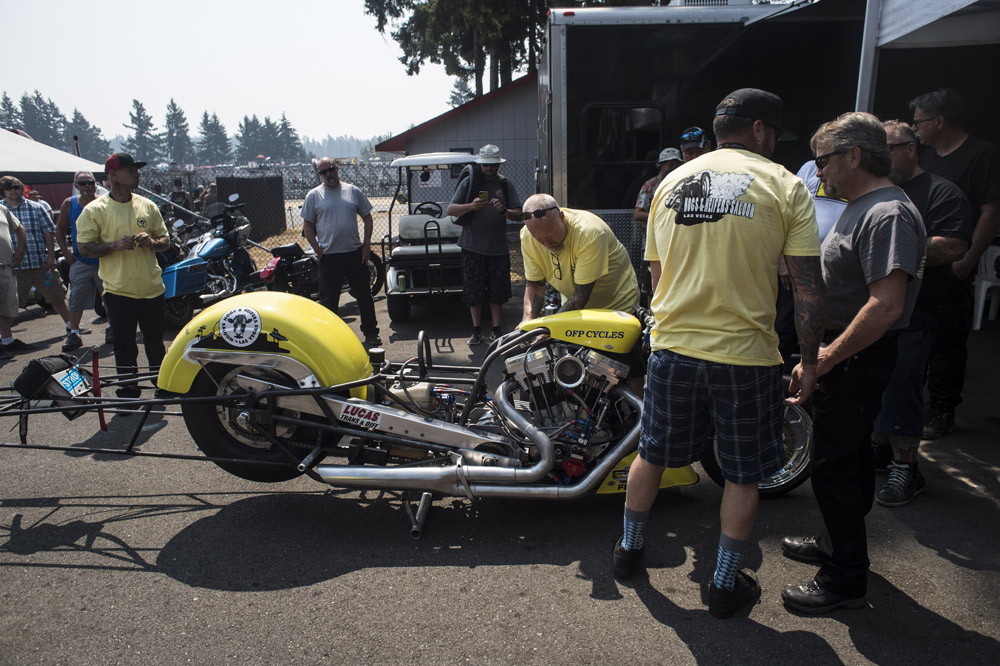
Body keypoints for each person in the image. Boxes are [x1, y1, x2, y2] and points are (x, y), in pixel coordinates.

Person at [612, 89, 826, 620]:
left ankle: (627, 550)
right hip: (746, 355)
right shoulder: (784, 183)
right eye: (773, 133)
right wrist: (813, 360)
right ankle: (725, 585)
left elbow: (656, 276)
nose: (774, 142)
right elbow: (808, 288)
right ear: (758, 129)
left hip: (673, 348)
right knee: (741, 473)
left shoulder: (669, 184)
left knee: (654, 453)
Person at [781, 112, 926, 615]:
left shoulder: (887, 213)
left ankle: (844, 577)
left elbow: (885, 305)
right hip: (848, 353)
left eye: (823, 161)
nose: (817, 172)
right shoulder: (862, 205)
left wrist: (823, 356)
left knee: (833, 467)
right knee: (852, 457)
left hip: (856, 357)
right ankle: (835, 542)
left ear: (854, 156)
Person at [870, 120, 973, 506]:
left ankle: (906, 468)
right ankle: (880, 451)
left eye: (888, 148)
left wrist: (895, 245)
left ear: (911, 148)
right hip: (869, 308)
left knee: (902, 389)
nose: (880, 157)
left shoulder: (940, 192)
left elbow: (955, 244)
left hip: (915, 313)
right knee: (873, 386)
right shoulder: (877, 189)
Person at [909, 89, 1000, 439]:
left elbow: (992, 211)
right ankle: (914, 407)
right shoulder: (928, 159)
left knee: (948, 340)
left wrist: (968, 259)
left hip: (954, 263)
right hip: (924, 266)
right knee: (920, 337)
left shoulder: (982, 154)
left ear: (939, 121)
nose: (916, 129)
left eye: (919, 123)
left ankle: (942, 412)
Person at [76, 153, 170, 399]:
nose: (136, 174)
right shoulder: (95, 210)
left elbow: (165, 241)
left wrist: (152, 242)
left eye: (137, 170)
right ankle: (129, 388)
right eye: (130, 170)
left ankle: (161, 385)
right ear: (112, 176)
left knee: (155, 343)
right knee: (124, 345)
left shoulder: (147, 205)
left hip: (152, 287)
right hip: (119, 291)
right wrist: (115, 245)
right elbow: (84, 248)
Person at [301, 157, 381, 348]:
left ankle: (371, 334)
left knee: (364, 296)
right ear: (319, 174)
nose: (329, 174)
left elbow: (367, 218)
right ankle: (330, 340)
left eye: (331, 169)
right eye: (324, 172)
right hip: (329, 258)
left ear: (337, 168)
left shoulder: (352, 191)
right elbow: (308, 227)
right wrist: (319, 250)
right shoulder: (313, 196)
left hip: (354, 254)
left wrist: (366, 245)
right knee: (328, 302)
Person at [446, 144, 523, 345]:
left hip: (498, 248)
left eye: (493, 165)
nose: (489, 168)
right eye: (486, 165)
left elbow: (518, 214)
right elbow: (451, 210)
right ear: (481, 164)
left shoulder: (505, 185)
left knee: (497, 291)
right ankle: (476, 330)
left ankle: (496, 329)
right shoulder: (470, 183)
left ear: (498, 165)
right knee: (474, 291)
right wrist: (471, 206)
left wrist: (503, 211)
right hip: (472, 247)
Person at [520, 193, 639, 320]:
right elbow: (535, 284)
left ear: (561, 217)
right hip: (574, 310)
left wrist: (549, 327)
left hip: (617, 307)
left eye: (551, 236)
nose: (546, 244)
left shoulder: (590, 233)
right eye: (539, 239)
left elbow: (580, 296)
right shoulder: (527, 236)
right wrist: (527, 320)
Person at [0, 176, 73, 335]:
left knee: (57, 296)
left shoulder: (36, 207)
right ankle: (6, 338)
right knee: (9, 304)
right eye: (9, 187)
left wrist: (51, 257)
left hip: (41, 262)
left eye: (17, 187)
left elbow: (49, 232)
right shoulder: (1, 209)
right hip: (15, 267)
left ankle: (72, 327)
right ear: (3, 190)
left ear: (22, 189)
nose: (13, 191)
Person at [56, 171, 110, 351]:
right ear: (76, 185)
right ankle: (74, 333)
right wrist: (66, 252)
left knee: (110, 297)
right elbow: (60, 229)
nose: (87, 185)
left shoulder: (104, 202)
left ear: (95, 184)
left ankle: (112, 328)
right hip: (81, 259)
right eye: (83, 182)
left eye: (90, 182)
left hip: (104, 259)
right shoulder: (69, 204)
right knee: (75, 299)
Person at [0, 203, 31, 354]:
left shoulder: (2, 209)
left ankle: (7, 340)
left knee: (9, 306)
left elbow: (19, 228)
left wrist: (20, 251)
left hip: (6, 266)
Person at [633, 148, 683, 226]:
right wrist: (662, 216)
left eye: (677, 165)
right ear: (661, 165)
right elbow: (638, 214)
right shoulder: (650, 185)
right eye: (671, 165)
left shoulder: (683, 184)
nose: (674, 168)